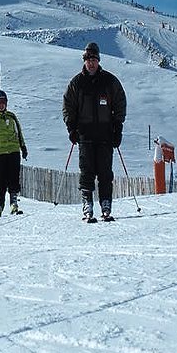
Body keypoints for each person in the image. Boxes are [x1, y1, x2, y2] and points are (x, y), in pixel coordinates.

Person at [63, 42, 127, 222]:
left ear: (98, 61)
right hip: (85, 135)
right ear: (84, 61)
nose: (91, 63)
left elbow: (120, 103)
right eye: (88, 60)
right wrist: (71, 127)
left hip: (106, 134)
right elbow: (68, 106)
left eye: (94, 60)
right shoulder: (77, 83)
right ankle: (87, 204)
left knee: (105, 172)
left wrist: (118, 127)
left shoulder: (109, 81)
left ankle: (106, 204)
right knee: (87, 171)